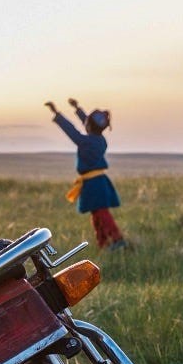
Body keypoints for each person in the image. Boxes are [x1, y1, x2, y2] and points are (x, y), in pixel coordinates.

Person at [44, 98, 128, 251]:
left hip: (94, 184)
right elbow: (88, 123)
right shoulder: (100, 140)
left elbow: (71, 130)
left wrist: (56, 113)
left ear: (89, 126)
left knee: (101, 213)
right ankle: (104, 244)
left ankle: (117, 240)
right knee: (97, 214)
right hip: (97, 182)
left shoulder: (86, 142)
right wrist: (77, 109)